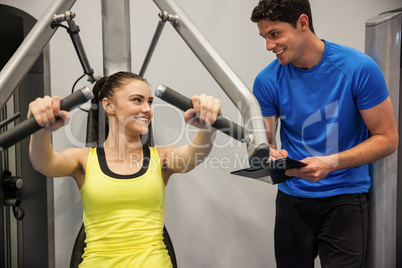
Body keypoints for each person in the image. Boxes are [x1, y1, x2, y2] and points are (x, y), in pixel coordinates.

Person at [250, 0, 398, 267]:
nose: (269, 46)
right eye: (264, 37)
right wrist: (266, 153)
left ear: (303, 23)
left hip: (345, 198)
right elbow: (264, 143)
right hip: (292, 199)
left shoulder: (358, 68)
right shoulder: (267, 80)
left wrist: (331, 163)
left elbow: (387, 139)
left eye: (275, 34)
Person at [28, 71, 221, 267]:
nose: (147, 109)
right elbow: (43, 163)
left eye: (150, 102)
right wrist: (41, 130)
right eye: (137, 100)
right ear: (108, 105)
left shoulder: (161, 158)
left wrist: (208, 128)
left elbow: (192, 157)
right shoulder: (84, 160)